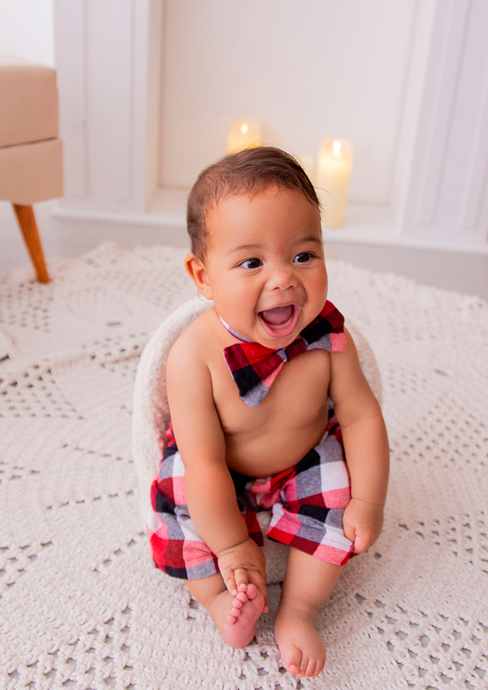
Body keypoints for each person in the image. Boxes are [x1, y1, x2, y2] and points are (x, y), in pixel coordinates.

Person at [147, 146, 389, 678]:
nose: (282, 279)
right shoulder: (193, 355)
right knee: (183, 497)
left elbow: (362, 417)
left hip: (298, 461)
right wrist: (232, 545)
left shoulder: (327, 336)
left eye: (303, 255)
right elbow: (205, 462)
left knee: (335, 489)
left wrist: (368, 501)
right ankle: (220, 605)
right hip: (221, 470)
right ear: (203, 276)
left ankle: (300, 610)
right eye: (251, 262)